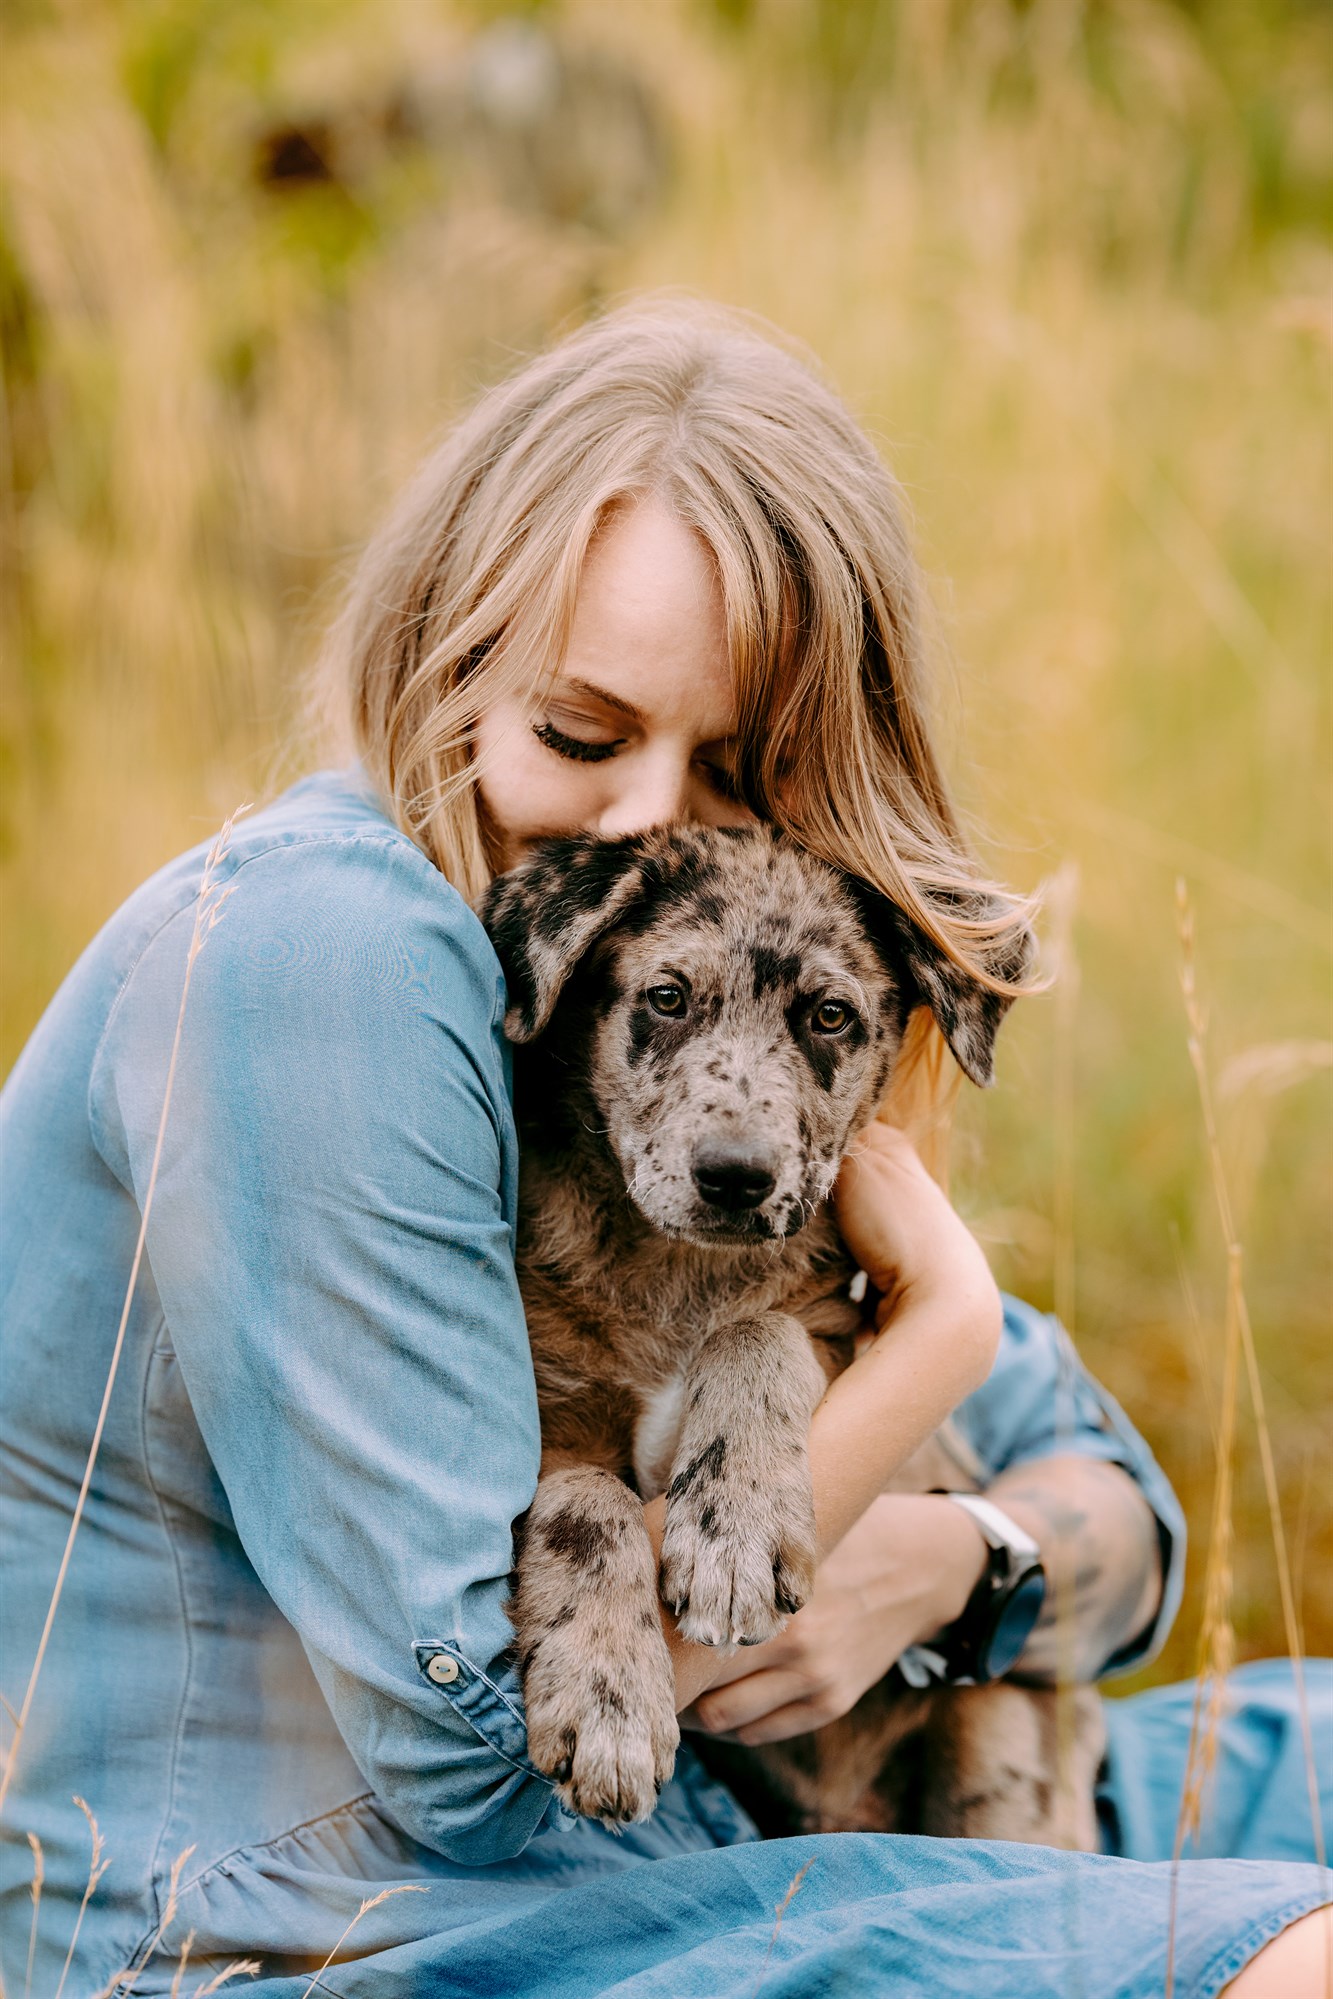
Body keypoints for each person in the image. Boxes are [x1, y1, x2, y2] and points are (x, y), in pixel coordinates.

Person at [1, 302, 1327, 1999]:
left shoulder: (731, 996)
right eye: (579, 733)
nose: (650, 823)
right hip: (315, 1928)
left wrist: (945, 1569)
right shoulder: (333, 958)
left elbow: (1119, 1517)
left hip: (727, 1829)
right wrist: (931, 1345)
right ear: (442, 655)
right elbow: (480, 1754)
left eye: (746, 767)